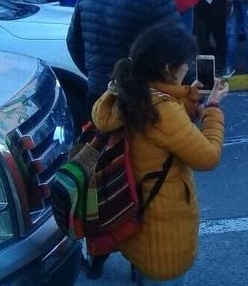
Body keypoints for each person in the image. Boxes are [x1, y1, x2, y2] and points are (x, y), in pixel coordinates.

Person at [91, 22, 228, 285]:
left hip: (137, 222)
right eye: (185, 63)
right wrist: (213, 110)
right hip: (163, 232)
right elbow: (208, 157)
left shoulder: (131, 91)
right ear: (168, 69)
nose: (188, 67)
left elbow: (159, 132)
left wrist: (188, 99)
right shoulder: (162, 110)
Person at [67, 0, 183, 127]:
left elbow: (73, 42)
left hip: (97, 96)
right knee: (141, 158)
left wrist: (96, 74)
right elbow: (176, 57)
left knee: (101, 154)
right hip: (141, 100)